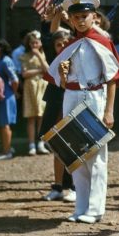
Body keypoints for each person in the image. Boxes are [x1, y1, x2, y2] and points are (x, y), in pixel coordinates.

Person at [48, 0, 119, 224]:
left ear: (94, 17)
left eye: (85, 16)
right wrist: (63, 75)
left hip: (94, 97)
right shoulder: (70, 45)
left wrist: (109, 111)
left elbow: (112, 78)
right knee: (75, 154)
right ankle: (80, 207)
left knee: (95, 155)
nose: (81, 21)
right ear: (70, 20)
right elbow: (62, 81)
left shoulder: (102, 42)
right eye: (76, 17)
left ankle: (95, 209)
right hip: (71, 97)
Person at [41, 27, 76, 203]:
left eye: (65, 43)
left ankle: (74, 187)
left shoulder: (78, 60)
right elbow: (49, 33)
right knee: (56, 144)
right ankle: (58, 186)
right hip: (55, 103)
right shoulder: (54, 60)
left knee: (72, 146)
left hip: (72, 103)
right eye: (58, 44)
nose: (62, 47)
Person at [20, 32, 50, 155]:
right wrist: (39, 70)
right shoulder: (25, 56)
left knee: (41, 116)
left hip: (42, 86)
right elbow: (24, 73)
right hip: (31, 87)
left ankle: (41, 143)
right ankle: (31, 144)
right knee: (31, 117)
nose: (34, 45)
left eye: (36, 42)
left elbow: (47, 70)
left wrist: (39, 56)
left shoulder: (43, 55)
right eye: (32, 43)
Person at [0, 39, 19, 160]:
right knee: (1, 124)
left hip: (6, 96)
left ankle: (7, 152)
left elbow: (15, 80)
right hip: (1, 96)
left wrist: (14, 92)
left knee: (5, 124)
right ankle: (6, 148)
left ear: (0, 48)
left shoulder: (6, 61)